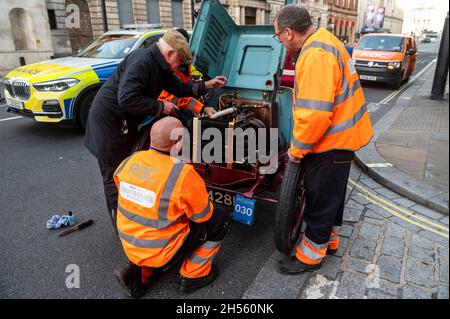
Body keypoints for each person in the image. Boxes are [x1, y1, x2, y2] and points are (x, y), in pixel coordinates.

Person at [84, 28, 227, 230]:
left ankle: (135, 217)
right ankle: (123, 230)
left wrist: (207, 85)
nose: (181, 66)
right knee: (113, 176)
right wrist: (160, 107)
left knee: (128, 170)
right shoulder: (143, 61)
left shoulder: (161, 64)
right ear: (170, 54)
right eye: (181, 61)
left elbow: (180, 88)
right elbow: (126, 98)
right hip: (109, 125)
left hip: (124, 124)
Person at [273, 5, 373, 274]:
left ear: (289, 32)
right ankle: (329, 240)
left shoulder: (315, 54)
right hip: (342, 138)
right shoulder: (327, 40)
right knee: (333, 195)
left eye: (278, 36)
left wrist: (297, 150)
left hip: (330, 142)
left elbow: (316, 115)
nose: (279, 41)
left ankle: (310, 256)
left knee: (319, 198)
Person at [113, 116, 231, 298]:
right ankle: (193, 276)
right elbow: (203, 216)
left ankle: (141, 271)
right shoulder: (182, 174)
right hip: (162, 251)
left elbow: (136, 202)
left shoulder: (129, 161)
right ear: (177, 142)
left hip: (130, 244)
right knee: (220, 217)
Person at [158, 28, 217, 122]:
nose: (182, 61)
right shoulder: (165, 68)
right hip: (167, 111)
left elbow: (185, 89)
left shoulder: (184, 65)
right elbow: (175, 98)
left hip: (180, 106)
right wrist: (202, 108)